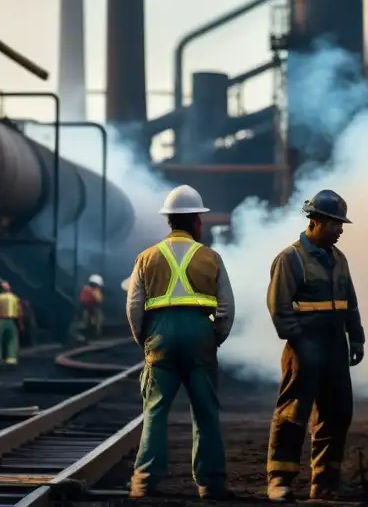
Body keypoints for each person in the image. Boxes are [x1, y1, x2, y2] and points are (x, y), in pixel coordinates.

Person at [124, 185, 235, 500]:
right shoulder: (211, 257)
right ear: (197, 220)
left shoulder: (146, 257)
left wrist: (145, 340)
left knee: (155, 412)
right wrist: (215, 338)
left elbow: (133, 307)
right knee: (206, 413)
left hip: (160, 338)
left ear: (169, 220)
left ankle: (144, 483)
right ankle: (211, 484)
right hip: (200, 335)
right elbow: (227, 307)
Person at [266, 189, 365, 502]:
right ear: (317, 221)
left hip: (335, 344)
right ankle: (279, 480)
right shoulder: (289, 258)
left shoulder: (340, 259)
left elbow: (350, 302)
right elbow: (279, 308)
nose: (340, 230)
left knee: (337, 413)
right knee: (293, 412)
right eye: (336, 223)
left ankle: (324, 482)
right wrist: (298, 340)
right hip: (304, 345)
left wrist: (357, 336)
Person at [0, 282, 21, 366]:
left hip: (0, 321)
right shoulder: (14, 298)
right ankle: (11, 358)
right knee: (11, 340)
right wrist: (20, 323)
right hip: (11, 322)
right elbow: (20, 310)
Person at [77, 274, 105, 341]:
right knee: (86, 323)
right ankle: (87, 336)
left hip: (92, 309)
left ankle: (92, 336)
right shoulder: (88, 290)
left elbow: (99, 300)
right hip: (88, 309)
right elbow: (97, 300)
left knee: (96, 321)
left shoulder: (93, 290)